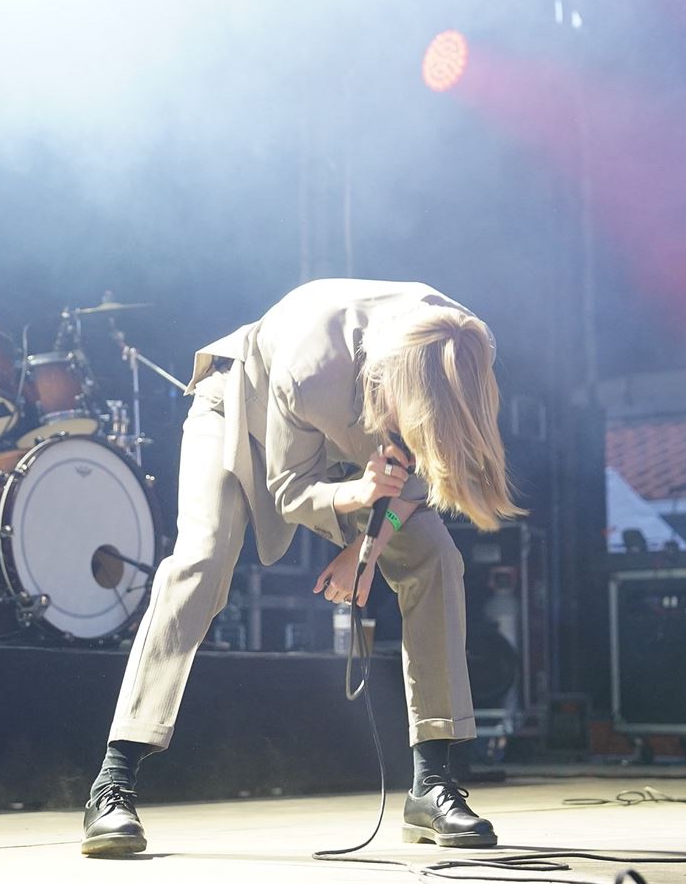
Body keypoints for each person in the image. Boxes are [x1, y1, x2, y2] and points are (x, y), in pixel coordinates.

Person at [82, 278, 523, 856]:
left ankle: (431, 784)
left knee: (436, 555)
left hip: (350, 438)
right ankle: (113, 781)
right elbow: (291, 491)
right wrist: (359, 494)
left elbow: (420, 476)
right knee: (201, 560)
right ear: (388, 382)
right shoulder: (312, 361)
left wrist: (366, 548)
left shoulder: (462, 350)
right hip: (238, 410)